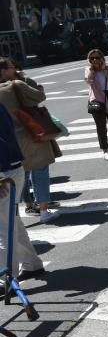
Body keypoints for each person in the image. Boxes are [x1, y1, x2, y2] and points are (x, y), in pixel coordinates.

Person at [0, 59, 58, 224]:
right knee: (39, 170)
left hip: (8, 139)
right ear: (3, 70)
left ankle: (26, 206)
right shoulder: (16, 85)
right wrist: (35, 85)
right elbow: (39, 96)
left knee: (20, 173)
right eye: (11, 67)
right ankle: (44, 210)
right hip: (29, 133)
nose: (15, 69)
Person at [0, 102, 45, 289]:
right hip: (10, 169)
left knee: (3, 227)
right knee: (12, 221)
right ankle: (31, 263)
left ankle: (6, 278)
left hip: (5, 173)